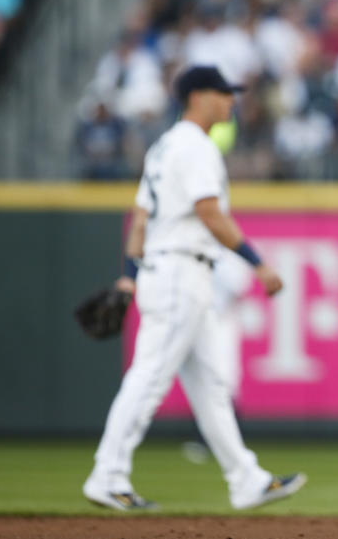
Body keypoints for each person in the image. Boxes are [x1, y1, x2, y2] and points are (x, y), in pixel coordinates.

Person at [82, 65, 306, 511]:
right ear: (198, 96)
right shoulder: (196, 146)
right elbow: (209, 212)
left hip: (174, 272)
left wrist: (130, 274)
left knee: (210, 386)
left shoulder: (164, 147)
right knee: (148, 377)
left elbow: (141, 218)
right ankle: (107, 475)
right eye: (224, 93)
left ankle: (246, 479)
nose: (231, 101)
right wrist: (258, 264)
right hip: (180, 273)